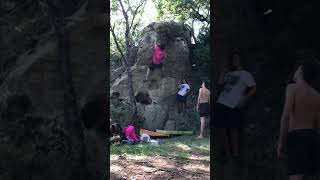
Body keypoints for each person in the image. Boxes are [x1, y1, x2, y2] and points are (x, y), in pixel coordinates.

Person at [277, 61, 320, 180]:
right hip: (313, 138)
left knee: (296, 176)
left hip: (296, 137)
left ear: (301, 71)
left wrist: (281, 142)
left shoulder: (292, 88)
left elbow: (285, 117)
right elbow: (318, 124)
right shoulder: (317, 95)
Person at [213, 50, 256, 161]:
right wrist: (223, 72)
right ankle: (227, 154)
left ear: (241, 60)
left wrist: (244, 99)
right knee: (222, 129)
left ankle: (235, 155)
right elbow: (220, 83)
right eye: (233, 59)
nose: (234, 60)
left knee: (233, 130)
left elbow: (254, 88)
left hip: (234, 104)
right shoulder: (229, 73)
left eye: (237, 58)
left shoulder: (246, 74)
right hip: (221, 102)